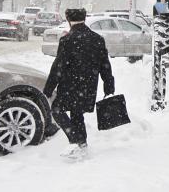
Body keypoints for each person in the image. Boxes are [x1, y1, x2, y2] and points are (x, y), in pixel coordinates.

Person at [43, 8, 115, 158]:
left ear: (69, 20)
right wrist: (109, 85)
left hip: (70, 86)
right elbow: (105, 65)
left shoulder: (67, 40)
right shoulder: (97, 39)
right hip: (88, 86)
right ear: (84, 18)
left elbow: (58, 67)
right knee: (77, 115)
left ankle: (75, 140)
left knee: (57, 110)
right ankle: (82, 145)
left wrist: (49, 89)